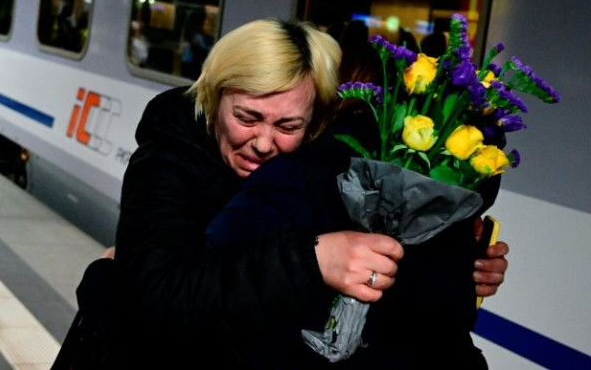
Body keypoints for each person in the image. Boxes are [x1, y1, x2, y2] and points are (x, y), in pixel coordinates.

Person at [57, 18, 509, 369]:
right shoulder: (169, 159)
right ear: (215, 98)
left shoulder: (314, 173)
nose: (263, 142)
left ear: (317, 121)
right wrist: (311, 262)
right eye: (247, 117)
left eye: (288, 125)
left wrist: (455, 264)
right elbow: (157, 298)